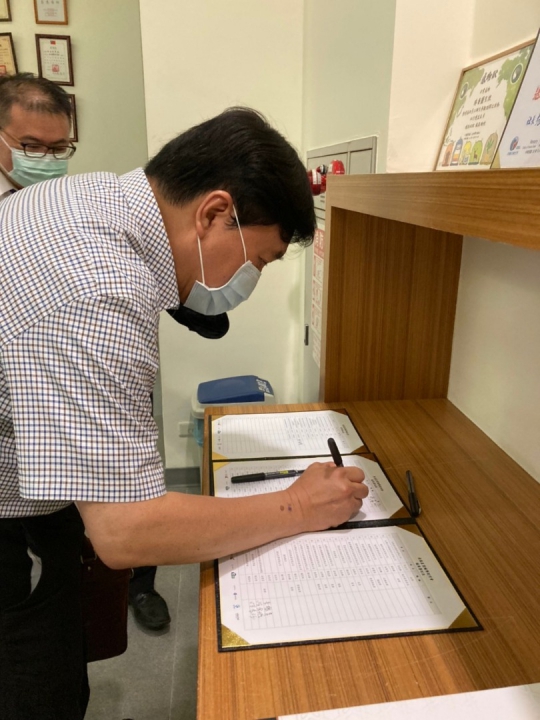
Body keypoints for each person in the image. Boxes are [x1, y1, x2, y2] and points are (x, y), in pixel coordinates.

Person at [0, 106, 368, 719]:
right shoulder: (99, 290)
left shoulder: (93, 200)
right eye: (260, 261)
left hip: (30, 492)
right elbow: (126, 532)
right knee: (38, 690)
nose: (249, 279)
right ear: (215, 213)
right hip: (9, 529)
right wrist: (300, 506)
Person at [0, 72, 172, 632]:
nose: (47, 161)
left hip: (82, 398)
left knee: (114, 488)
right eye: (32, 147)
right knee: (31, 616)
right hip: (22, 431)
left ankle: (135, 586)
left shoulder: (74, 204)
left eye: (60, 149)